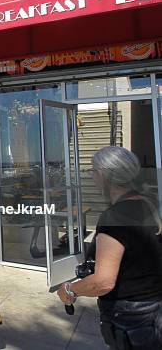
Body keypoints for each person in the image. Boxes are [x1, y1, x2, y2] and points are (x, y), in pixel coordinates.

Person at [57, 146, 162, 350]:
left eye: (92, 171)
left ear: (104, 176)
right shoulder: (152, 203)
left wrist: (70, 290)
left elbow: (102, 282)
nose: (91, 176)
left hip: (132, 319)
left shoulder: (115, 217)